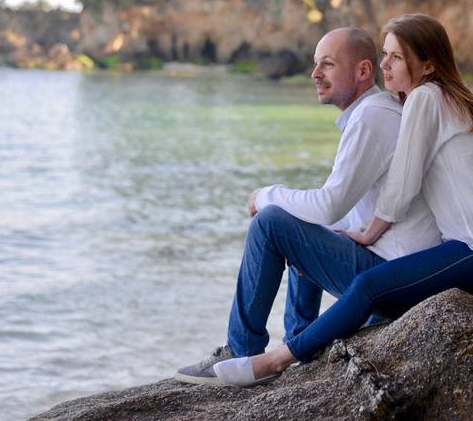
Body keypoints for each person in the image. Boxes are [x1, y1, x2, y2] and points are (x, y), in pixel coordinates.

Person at [212, 13, 473, 387]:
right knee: (313, 227)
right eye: (385, 54)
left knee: (365, 285)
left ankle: (275, 359)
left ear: (427, 64)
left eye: (395, 57)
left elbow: (403, 185)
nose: (384, 65)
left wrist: (369, 232)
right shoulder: (443, 97)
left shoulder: (424, 99)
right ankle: (298, 343)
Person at [174, 27, 441, 384]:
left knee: (271, 222)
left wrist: (265, 194)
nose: (315, 74)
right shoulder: (375, 112)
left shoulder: (371, 118)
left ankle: (242, 352)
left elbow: (329, 206)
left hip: (393, 277)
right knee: (301, 222)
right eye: (316, 65)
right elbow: (335, 211)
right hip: (398, 266)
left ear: (363, 71)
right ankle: (302, 339)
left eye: (327, 65)